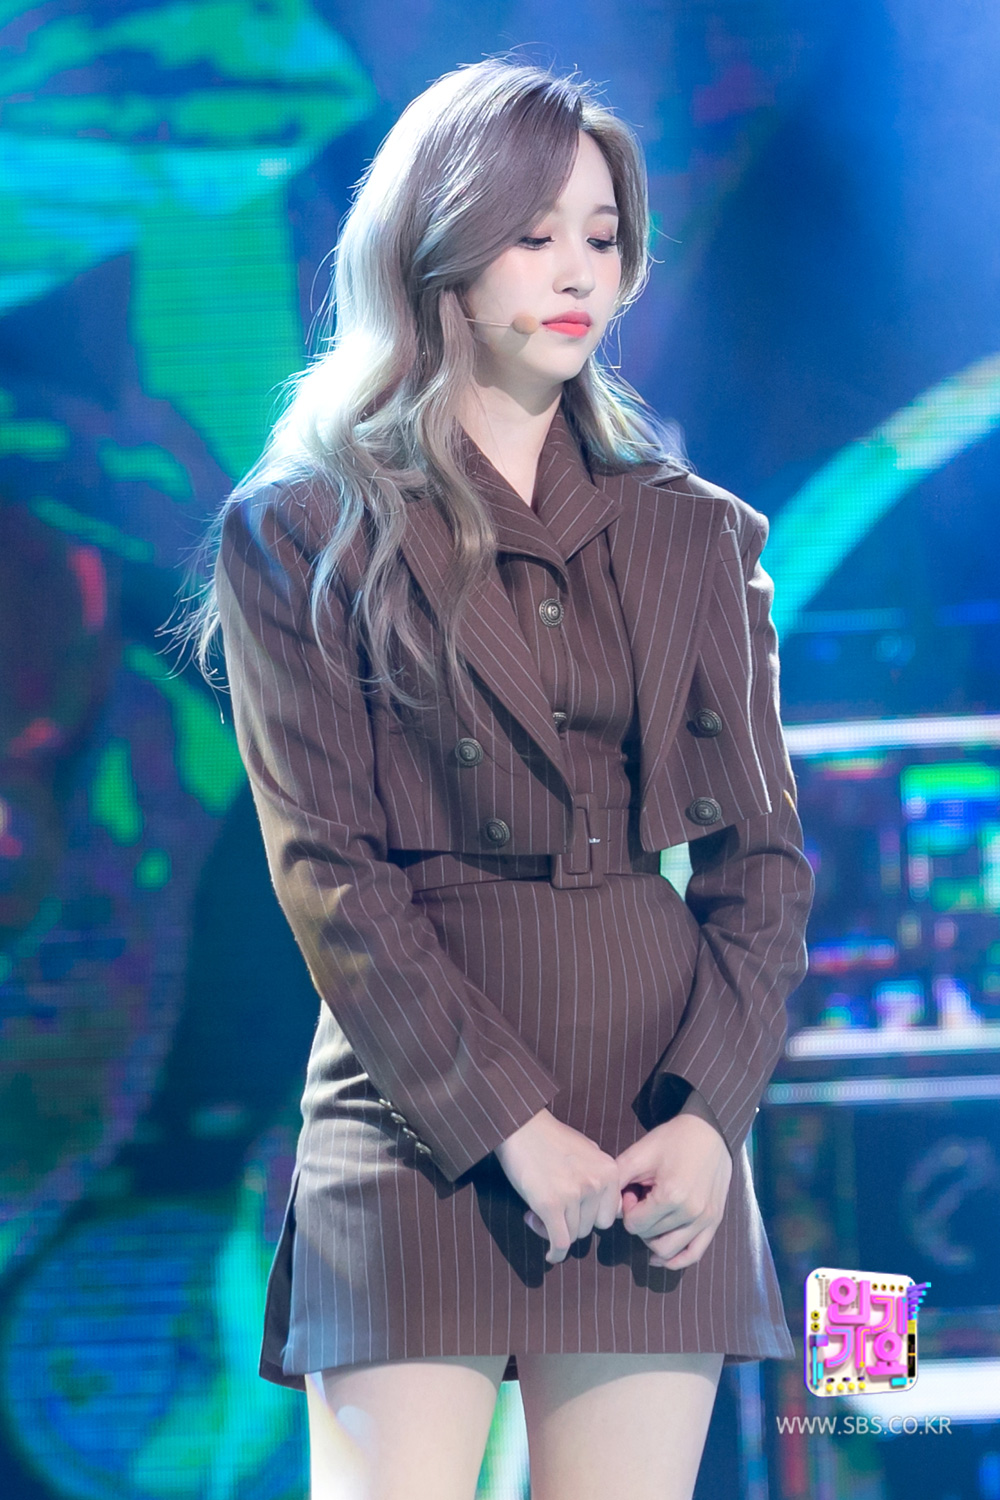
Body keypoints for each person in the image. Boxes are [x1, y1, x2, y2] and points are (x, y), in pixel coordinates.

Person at [182, 57, 813, 1500]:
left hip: (655, 1102)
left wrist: (711, 1116)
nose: (580, 271)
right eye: (534, 235)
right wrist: (505, 1125)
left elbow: (764, 862)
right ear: (439, 251)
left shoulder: (695, 533)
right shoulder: (302, 530)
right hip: (418, 1102)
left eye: (603, 235)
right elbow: (329, 870)